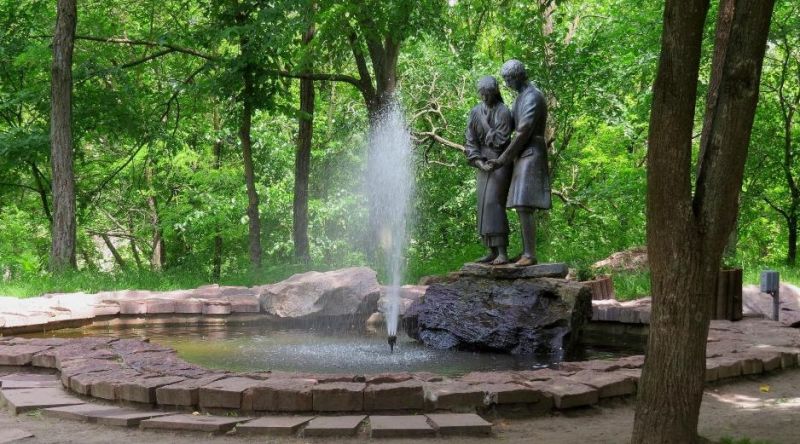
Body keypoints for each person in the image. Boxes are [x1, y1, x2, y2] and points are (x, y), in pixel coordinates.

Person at [487, 60, 551, 267]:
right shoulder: (520, 98)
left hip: (531, 152)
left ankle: (530, 254)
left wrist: (504, 157)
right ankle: (526, 252)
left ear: (518, 76)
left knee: (524, 204)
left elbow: (523, 131)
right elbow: (510, 124)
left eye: (508, 79)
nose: (506, 84)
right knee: (521, 205)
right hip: (523, 154)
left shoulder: (532, 96)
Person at [464, 76, 514, 265]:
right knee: (483, 205)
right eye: (482, 94)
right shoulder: (475, 111)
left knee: (494, 203)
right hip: (482, 163)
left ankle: (502, 251)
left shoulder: (503, 111)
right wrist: (477, 160)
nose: (485, 98)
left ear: (495, 92)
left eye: (488, 94)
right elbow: (470, 139)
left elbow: (501, 139)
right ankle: (491, 250)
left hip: (500, 161)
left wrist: (486, 125)